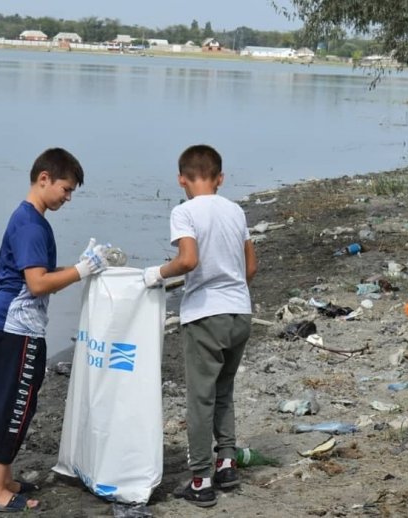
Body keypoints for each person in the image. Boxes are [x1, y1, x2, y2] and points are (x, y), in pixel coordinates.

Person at [0, 148, 108, 512]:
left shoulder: (29, 219)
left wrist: (82, 266)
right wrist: (82, 271)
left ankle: (2, 479)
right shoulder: (32, 224)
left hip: (3, 323)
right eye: (66, 189)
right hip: (15, 327)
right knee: (14, 406)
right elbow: (36, 284)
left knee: (5, 402)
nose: (68, 198)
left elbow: (39, 275)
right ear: (44, 178)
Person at [143, 144, 257, 508]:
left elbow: (188, 260)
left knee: (199, 399)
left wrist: (156, 274)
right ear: (220, 178)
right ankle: (226, 464)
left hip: (205, 315)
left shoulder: (185, 212)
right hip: (240, 313)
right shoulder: (236, 210)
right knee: (224, 391)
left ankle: (200, 479)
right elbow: (249, 267)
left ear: (181, 179)